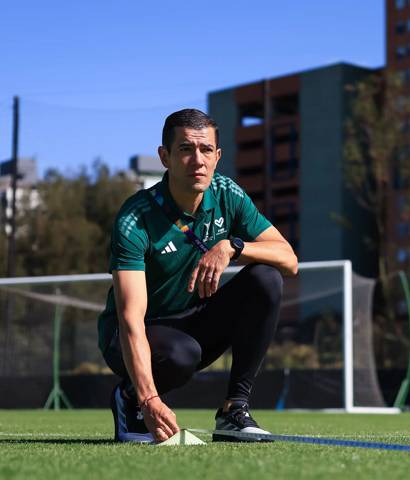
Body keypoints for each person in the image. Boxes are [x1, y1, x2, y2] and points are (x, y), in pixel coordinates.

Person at [97, 108, 298, 443]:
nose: (198, 161)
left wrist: (232, 246)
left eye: (206, 150)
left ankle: (234, 410)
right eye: (185, 150)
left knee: (266, 278)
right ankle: (131, 398)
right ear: (165, 157)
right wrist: (150, 398)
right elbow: (130, 319)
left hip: (192, 324)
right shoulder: (135, 218)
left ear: (218, 156)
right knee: (181, 354)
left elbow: (288, 260)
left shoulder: (227, 194)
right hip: (137, 333)